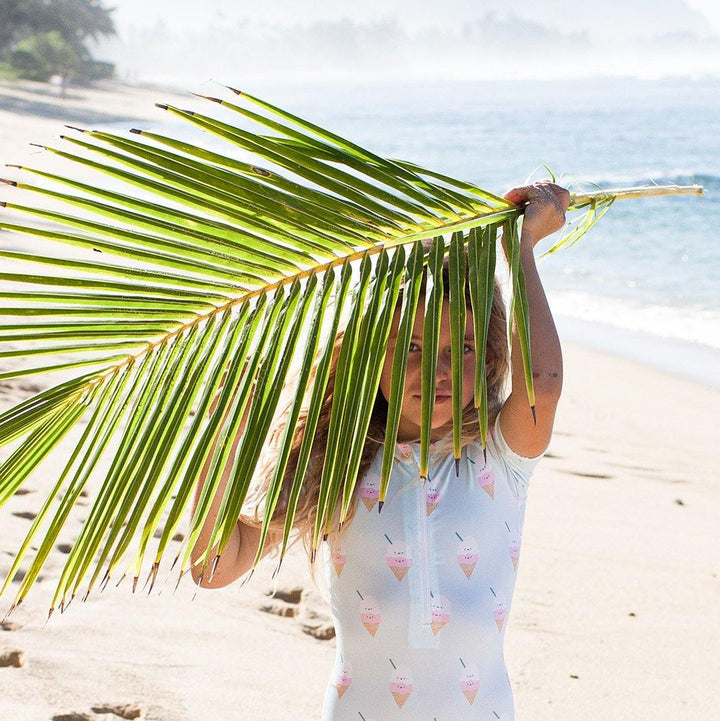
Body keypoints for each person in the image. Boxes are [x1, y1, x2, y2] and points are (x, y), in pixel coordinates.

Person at [190, 180, 571, 720]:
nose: (438, 371)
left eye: (459, 347)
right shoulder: (335, 462)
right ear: (369, 358)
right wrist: (226, 437)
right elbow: (212, 568)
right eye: (411, 347)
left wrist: (522, 253)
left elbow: (543, 383)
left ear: (485, 355)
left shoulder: (498, 456)